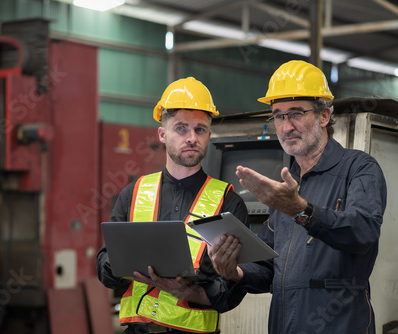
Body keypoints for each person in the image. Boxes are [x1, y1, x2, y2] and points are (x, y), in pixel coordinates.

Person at [208, 60, 387, 333]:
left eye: (296, 113)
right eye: (278, 116)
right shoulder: (286, 188)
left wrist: (302, 211)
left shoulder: (359, 168)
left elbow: (362, 232)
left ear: (324, 116)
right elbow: (269, 267)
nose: (286, 126)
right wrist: (236, 272)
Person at [96, 77, 248, 334]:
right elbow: (104, 269)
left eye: (200, 130)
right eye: (181, 128)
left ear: (209, 135)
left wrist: (191, 291)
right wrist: (124, 262)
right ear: (162, 134)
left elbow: (233, 292)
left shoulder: (229, 203)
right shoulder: (133, 193)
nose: (191, 138)